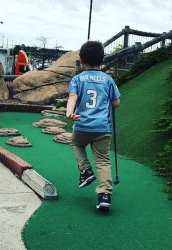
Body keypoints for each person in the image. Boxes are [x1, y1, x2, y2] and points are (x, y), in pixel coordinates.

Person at [66, 41, 121, 211]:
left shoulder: (77, 79)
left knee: (76, 143)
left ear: (81, 60)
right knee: (103, 160)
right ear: (102, 60)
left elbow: (73, 97)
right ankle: (104, 195)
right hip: (102, 128)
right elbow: (116, 103)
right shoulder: (108, 80)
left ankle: (86, 170)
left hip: (82, 125)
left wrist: (69, 112)